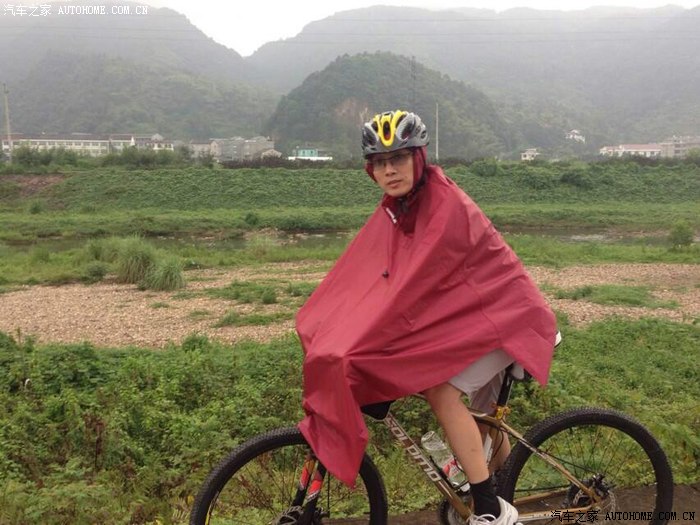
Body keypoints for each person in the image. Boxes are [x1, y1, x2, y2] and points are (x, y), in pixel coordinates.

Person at [296, 109, 558, 525]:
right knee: (474, 422)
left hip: (508, 319)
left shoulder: (443, 204)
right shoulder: (399, 208)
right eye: (380, 162)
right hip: (474, 320)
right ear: (370, 170)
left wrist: (368, 344)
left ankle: (489, 508)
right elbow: (366, 277)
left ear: (418, 158)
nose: (389, 169)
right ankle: (497, 488)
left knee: (440, 393)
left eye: (398, 158)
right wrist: (328, 321)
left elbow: (411, 291)